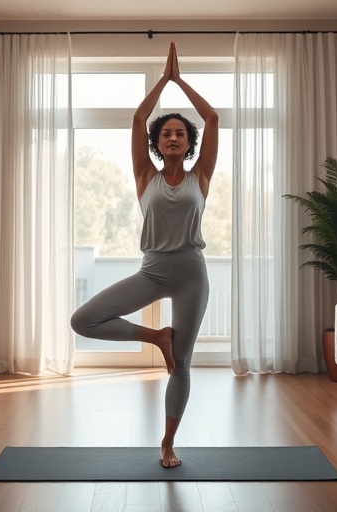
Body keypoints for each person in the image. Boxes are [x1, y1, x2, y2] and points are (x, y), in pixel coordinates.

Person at [70, 41, 219, 468]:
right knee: (83, 320)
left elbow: (212, 117)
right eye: (166, 132)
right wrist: (162, 81)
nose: (174, 136)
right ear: (158, 142)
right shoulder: (144, 176)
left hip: (192, 272)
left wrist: (181, 80)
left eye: (181, 133)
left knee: (184, 365)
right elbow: (138, 118)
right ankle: (158, 337)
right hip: (152, 270)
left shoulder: (200, 177)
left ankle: (168, 443)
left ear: (189, 143)